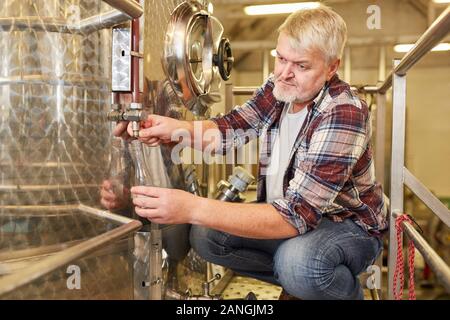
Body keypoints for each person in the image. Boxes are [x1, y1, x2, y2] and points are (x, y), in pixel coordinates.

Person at [110, 6, 388, 300]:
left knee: (299, 263)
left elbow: (295, 216)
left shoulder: (343, 111)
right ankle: (303, 283)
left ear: (332, 67)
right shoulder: (280, 87)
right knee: (207, 237)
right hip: (297, 221)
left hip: (347, 227)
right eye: (280, 58)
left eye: (302, 66)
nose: (285, 73)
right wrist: (174, 129)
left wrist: (191, 207)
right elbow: (231, 129)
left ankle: (323, 285)